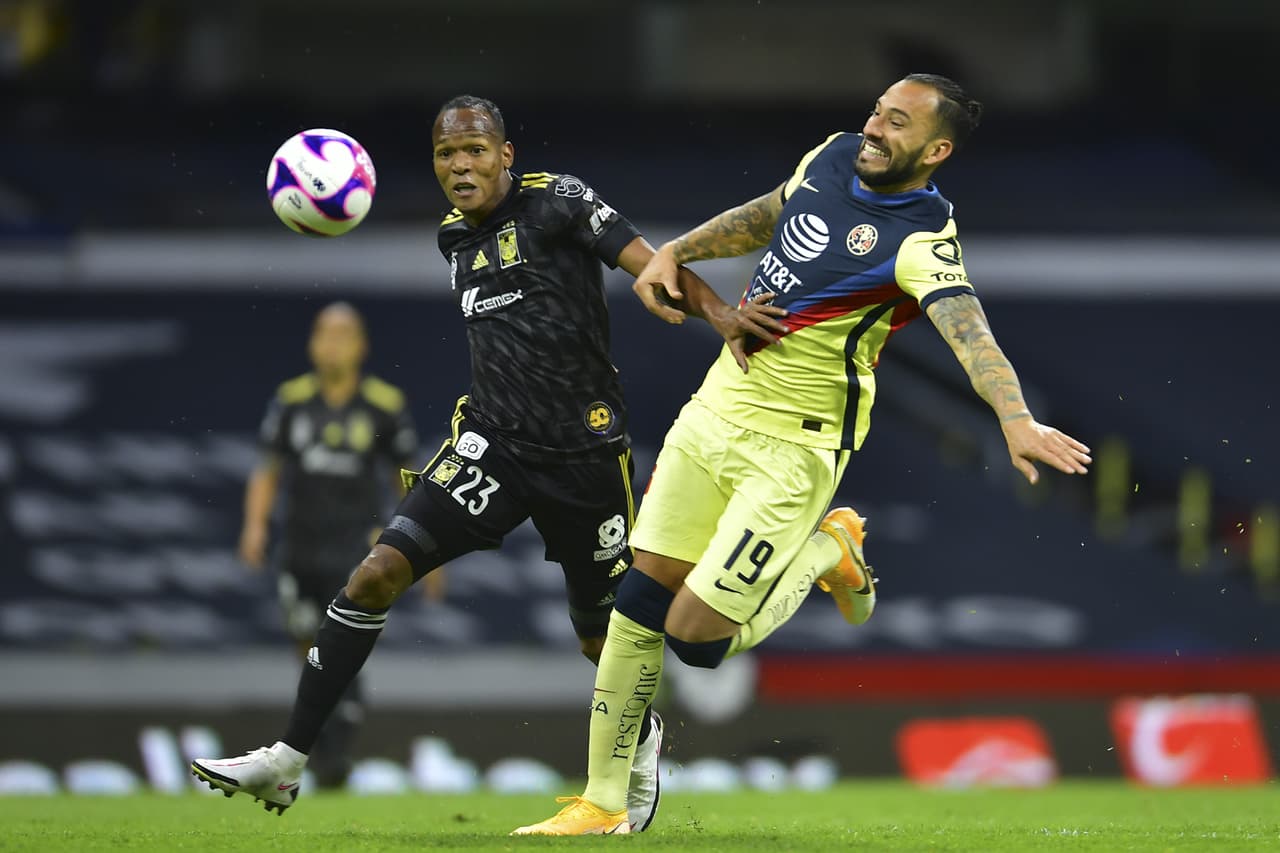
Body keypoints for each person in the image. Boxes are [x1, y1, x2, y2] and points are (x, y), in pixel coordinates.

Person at [513, 73, 1093, 835]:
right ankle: (601, 798)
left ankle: (831, 547)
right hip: (715, 410)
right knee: (635, 604)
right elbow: (764, 216)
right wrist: (677, 251)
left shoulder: (922, 238)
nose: (876, 130)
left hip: (795, 448)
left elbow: (970, 330)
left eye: (898, 124)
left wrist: (1014, 417)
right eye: (877, 113)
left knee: (694, 638)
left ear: (936, 149)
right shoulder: (832, 156)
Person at [192, 95, 773, 828]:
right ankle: (287, 759)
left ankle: (642, 734)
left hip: (585, 457)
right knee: (375, 574)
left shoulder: (559, 202)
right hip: (492, 446)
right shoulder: (451, 238)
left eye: (474, 151)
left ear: (505, 154)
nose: (460, 166)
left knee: (603, 638)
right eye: (445, 154)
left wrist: (720, 317)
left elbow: (647, 264)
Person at [236, 301, 420, 787]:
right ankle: (326, 738)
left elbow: (405, 477)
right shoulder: (292, 399)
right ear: (312, 344)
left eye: (342, 335)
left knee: (341, 641)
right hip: (299, 545)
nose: (332, 344)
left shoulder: (383, 403)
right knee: (306, 645)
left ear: (361, 346)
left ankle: (333, 754)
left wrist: (426, 548)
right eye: (323, 334)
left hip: (355, 550)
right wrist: (254, 527)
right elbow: (267, 468)